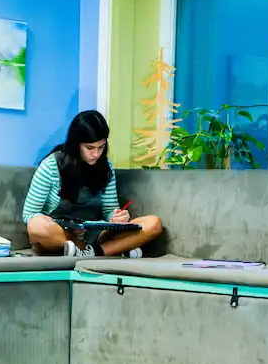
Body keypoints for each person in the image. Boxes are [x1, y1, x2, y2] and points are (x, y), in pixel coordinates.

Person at [23, 110, 163, 260]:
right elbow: (29, 214)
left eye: (101, 147)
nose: (96, 154)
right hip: (62, 236)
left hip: (96, 235)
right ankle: (110, 249)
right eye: (89, 148)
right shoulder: (51, 166)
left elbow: (109, 210)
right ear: (76, 144)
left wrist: (116, 218)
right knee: (35, 225)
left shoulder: (105, 167)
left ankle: (93, 252)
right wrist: (56, 224)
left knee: (153, 223)